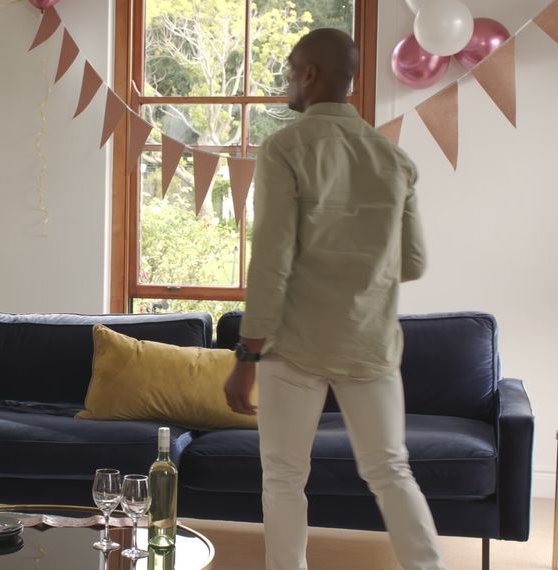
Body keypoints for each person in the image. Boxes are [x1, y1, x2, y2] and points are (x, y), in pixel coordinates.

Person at [222, 28, 446, 570]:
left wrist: (246, 359)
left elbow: (271, 262)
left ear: (310, 74)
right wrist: (361, 268)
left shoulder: (285, 149)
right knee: (391, 471)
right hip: (370, 344)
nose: (287, 80)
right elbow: (415, 262)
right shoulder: (393, 159)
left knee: (283, 478)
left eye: (290, 68)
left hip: (294, 346)